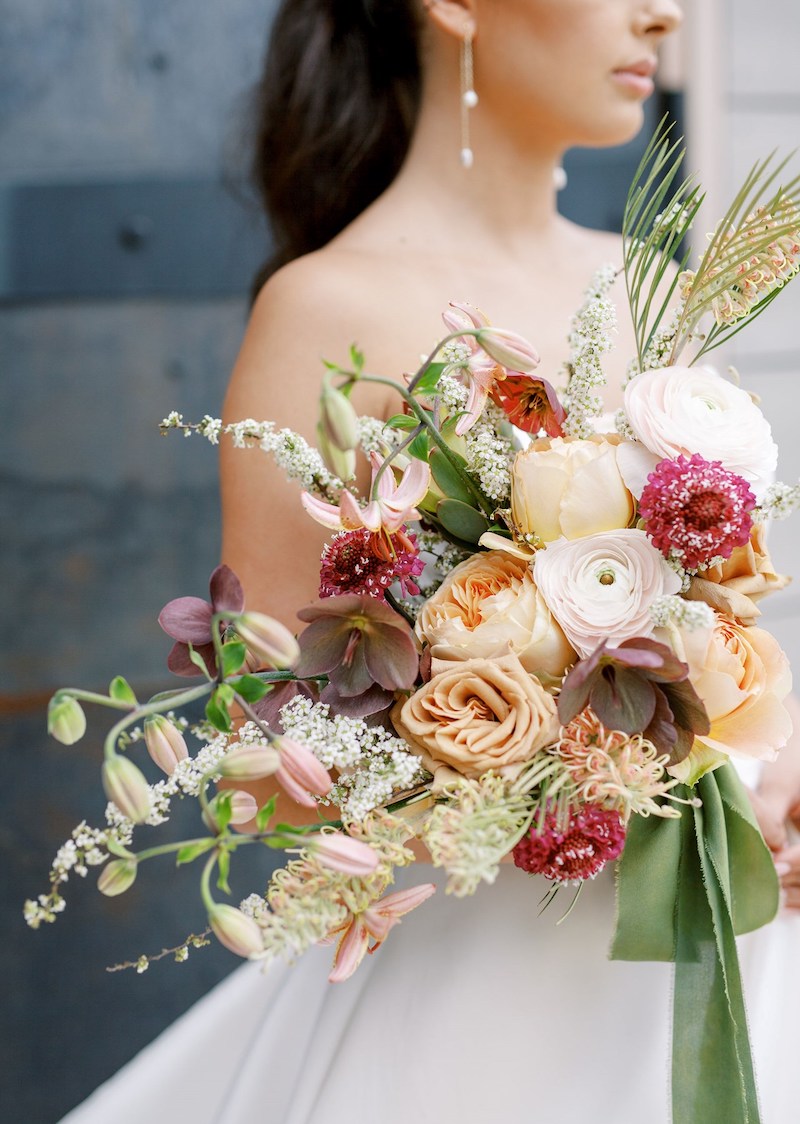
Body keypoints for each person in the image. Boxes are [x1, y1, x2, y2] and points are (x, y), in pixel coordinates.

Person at [60, 2, 800, 1121]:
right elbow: (264, 761)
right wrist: (514, 740)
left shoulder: (640, 285)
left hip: (715, 937)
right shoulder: (324, 308)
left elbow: (725, 612)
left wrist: (768, 765)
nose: (662, 12)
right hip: (483, 998)